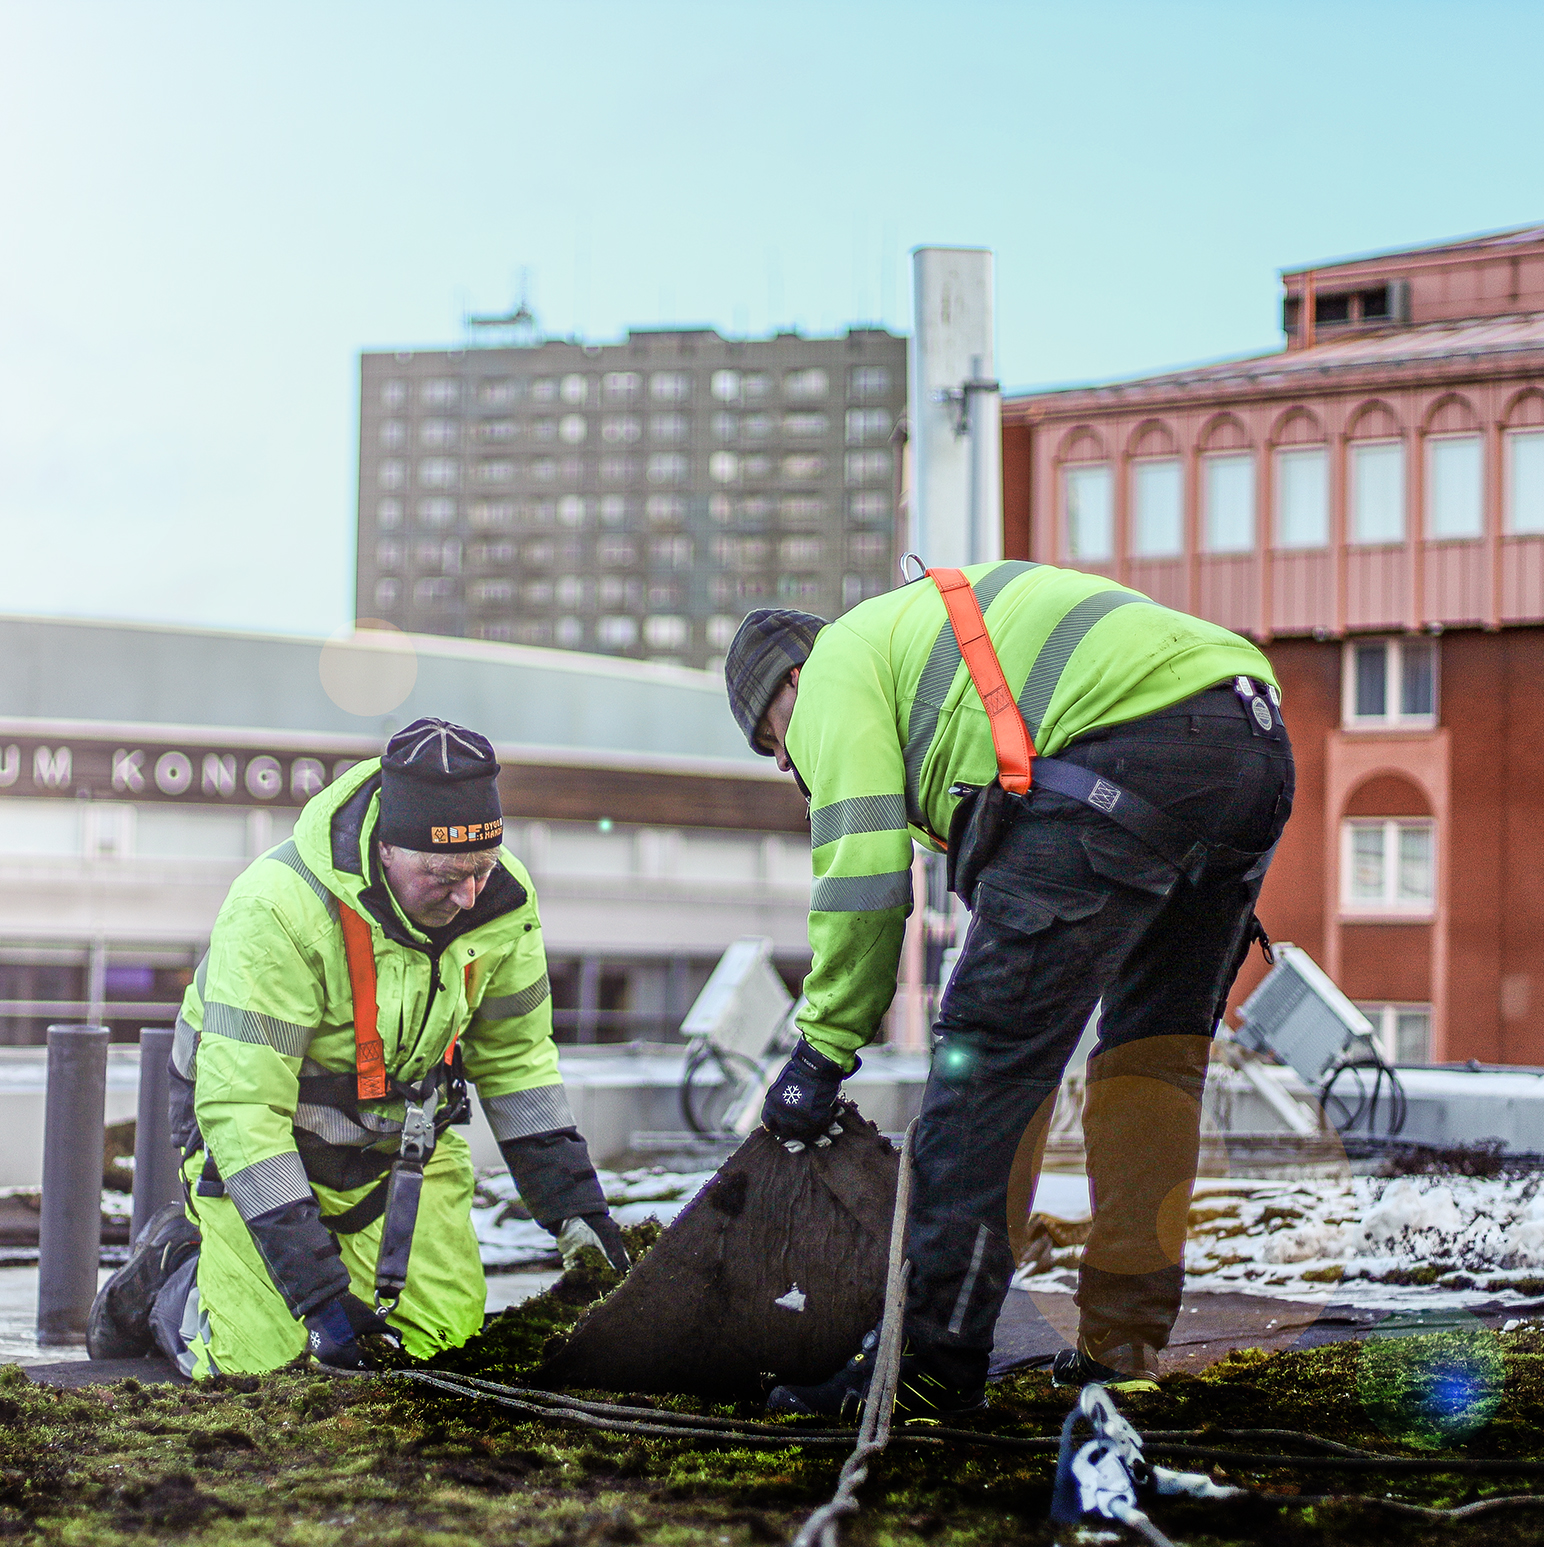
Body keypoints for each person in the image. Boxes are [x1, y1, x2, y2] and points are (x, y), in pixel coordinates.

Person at [726, 559, 1293, 1415]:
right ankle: (1121, 1351)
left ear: (793, 681)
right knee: (1150, 1065)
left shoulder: (836, 664)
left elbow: (864, 880)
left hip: (1123, 746)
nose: (781, 760)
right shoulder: (918, 653)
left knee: (984, 1068)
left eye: (771, 735)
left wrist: (822, 1049)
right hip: (1249, 734)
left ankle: (928, 1366)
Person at [98, 717, 631, 1376]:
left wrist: (575, 1209)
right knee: (263, 1370)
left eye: (482, 869)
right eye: (445, 875)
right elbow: (243, 1111)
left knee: (440, 1353)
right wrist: (319, 1297)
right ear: (386, 849)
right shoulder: (277, 910)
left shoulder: (501, 901)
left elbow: (517, 1060)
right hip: (257, 1137)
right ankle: (172, 1272)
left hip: (398, 1142)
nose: (468, 896)